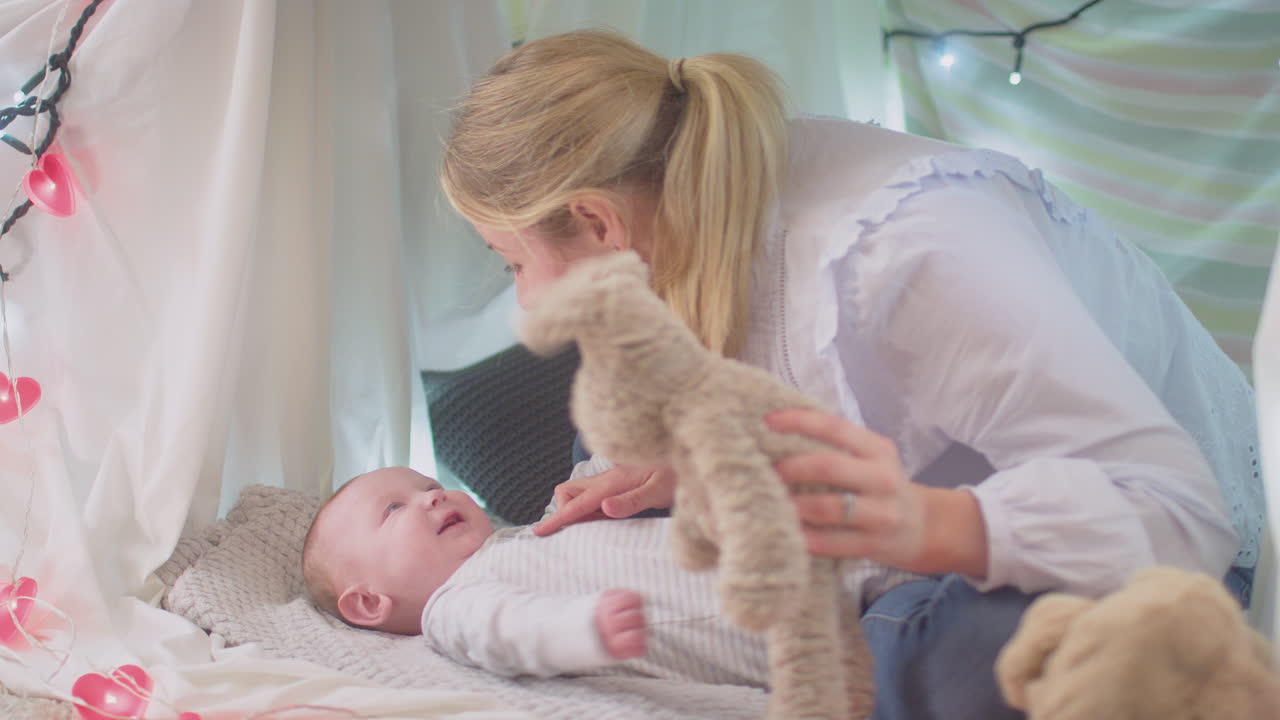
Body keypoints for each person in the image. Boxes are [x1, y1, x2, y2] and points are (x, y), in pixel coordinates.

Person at [437, 29, 1263, 720]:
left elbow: (1183, 518)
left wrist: (925, 524)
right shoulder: (686, 248)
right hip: (921, 543)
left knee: (934, 660)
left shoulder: (907, 254)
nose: (524, 300)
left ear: (597, 221)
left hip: (1152, 551)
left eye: (510, 263)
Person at [300, 465, 918, 684]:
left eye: (427, 486)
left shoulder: (524, 536)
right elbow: (507, 631)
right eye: (394, 510)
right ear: (368, 603)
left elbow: (600, 482)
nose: (431, 498)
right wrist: (580, 630)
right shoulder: (453, 607)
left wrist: (601, 482)